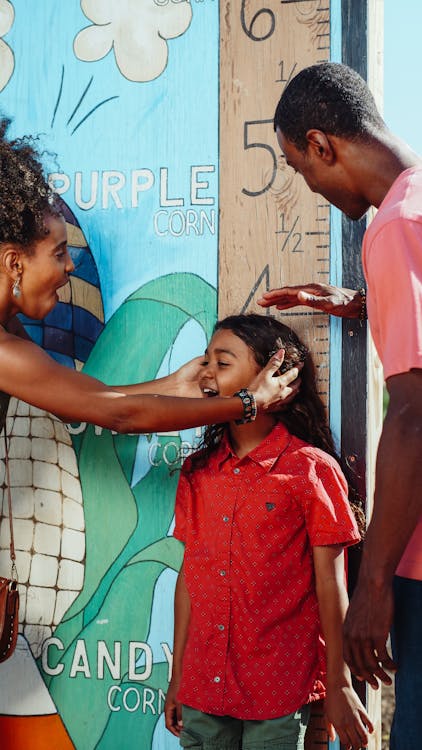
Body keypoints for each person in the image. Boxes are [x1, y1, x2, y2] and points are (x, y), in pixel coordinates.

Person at [258, 62, 422, 750]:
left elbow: (414, 415)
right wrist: (358, 301)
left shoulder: (394, 228)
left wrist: (375, 584)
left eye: (302, 170)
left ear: (323, 144)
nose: (314, 188)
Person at [0, 116, 298, 435]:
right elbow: (119, 414)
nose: (71, 266)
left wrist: (173, 386)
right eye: (59, 253)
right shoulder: (5, 351)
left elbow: (75, 403)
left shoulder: (9, 330)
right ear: (14, 263)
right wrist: (250, 402)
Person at [164, 313, 373, 750]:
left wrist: (339, 684)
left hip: (279, 690)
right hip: (203, 689)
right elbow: (189, 578)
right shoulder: (198, 471)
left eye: (222, 363)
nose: (205, 373)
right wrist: (178, 676)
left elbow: (332, 588)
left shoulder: (311, 470)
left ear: (276, 378)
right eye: (205, 361)